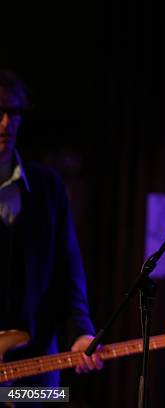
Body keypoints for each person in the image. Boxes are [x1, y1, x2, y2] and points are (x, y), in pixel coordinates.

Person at [0, 70, 102, 387]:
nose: (6, 123)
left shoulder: (47, 186)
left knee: (52, 400)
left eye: (14, 112)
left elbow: (68, 272)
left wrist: (80, 332)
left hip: (37, 370)